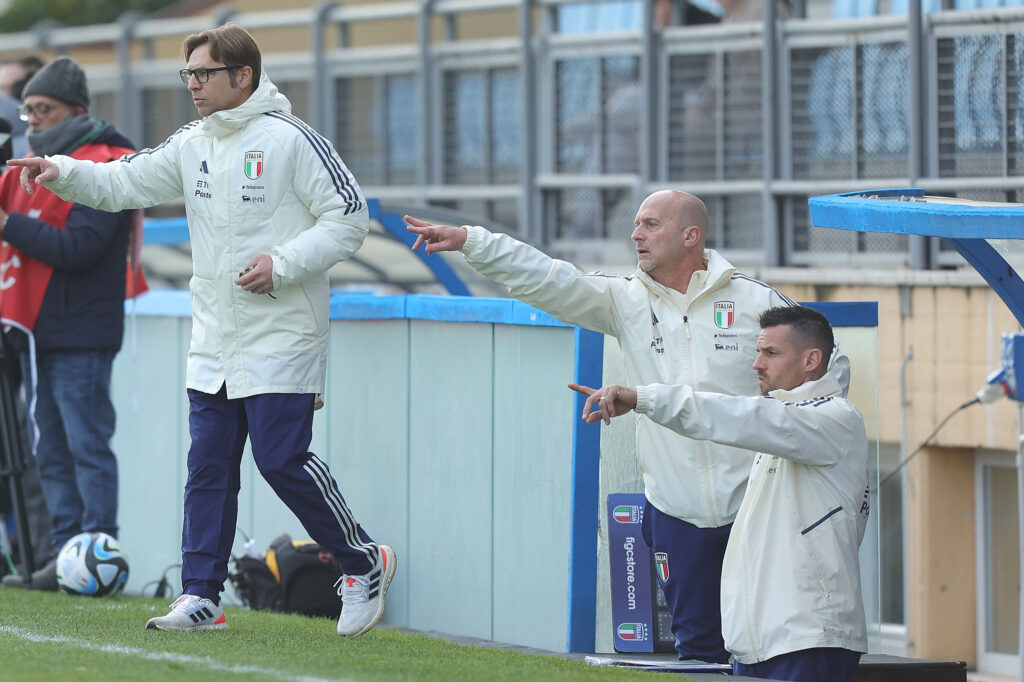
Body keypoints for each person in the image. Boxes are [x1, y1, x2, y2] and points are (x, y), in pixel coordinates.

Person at [9, 23, 395, 637]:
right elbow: (125, 180)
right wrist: (60, 170)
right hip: (214, 340)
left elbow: (350, 217)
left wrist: (283, 263)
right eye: (187, 74)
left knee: (280, 459)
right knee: (208, 469)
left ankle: (361, 560)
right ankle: (201, 597)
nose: (192, 85)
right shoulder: (192, 142)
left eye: (204, 73)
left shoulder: (294, 140)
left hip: (283, 334)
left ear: (243, 75)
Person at [405, 190, 848, 663]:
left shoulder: (756, 300)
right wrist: (472, 240)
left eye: (651, 224)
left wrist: (797, 428)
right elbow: (546, 279)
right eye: (637, 224)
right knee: (699, 655)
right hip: (677, 514)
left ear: (690, 235)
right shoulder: (624, 299)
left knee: (770, 648)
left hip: (758, 511)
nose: (636, 234)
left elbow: (827, 368)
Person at [570, 305, 869, 682]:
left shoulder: (833, 418)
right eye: (757, 352)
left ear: (811, 360)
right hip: (762, 643)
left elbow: (740, 417)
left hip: (807, 640)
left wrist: (646, 399)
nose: (757, 364)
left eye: (771, 353)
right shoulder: (787, 422)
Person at [0, 56, 140, 591]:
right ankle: (62, 558)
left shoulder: (107, 162)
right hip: (38, 331)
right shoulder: (30, 164)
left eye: (44, 109)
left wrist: (8, 225)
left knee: (86, 447)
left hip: (82, 332)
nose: (32, 119)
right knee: (50, 451)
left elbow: (81, 249)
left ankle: (98, 554)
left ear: (76, 110)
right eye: (28, 109)